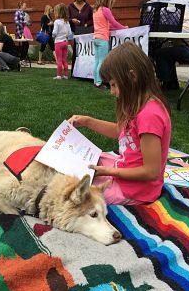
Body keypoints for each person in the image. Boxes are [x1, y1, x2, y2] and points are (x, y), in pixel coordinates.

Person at [69, 42, 171, 206]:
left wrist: (110, 172)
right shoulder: (139, 104)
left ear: (132, 76)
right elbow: (121, 131)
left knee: (78, 194)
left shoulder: (150, 115)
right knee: (85, 162)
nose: (112, 92)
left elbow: (152, 171)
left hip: (137, 189)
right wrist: (87, 121)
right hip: (124, 167)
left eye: (114, 85)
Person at [153, 8, 189, 90]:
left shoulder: (184, 13)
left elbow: (186, 29)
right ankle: (171, 83)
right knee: (165, 52)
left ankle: (166, 83)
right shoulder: (180, 13)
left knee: (160, 53)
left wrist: (169, 28)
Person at [93, 0, 127, 89]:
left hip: (96, 38)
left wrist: (118, 27)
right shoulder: (105, 10)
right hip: (103, 38)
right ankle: (99, 82)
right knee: (102, 61)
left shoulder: (96, 10)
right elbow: (114, 22)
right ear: (108, 0)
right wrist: (123, 28)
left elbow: (108, 25)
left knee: (97, 61)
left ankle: (96, 81)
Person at [68, 0, 93, 73]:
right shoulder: (70, 6)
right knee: (76, 52)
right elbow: (66, 19)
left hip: (85, 33)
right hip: (74, 33)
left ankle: (86, 72)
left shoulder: (88, 7)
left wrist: (87, 23)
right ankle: (75, 72)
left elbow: (92, 19)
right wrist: (72, 20)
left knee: (85, 53)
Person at [52, 3, 72, 80]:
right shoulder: (67, 22)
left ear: (58, 13)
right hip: (65, 42)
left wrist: (53, 36)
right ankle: (66, 75)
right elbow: (70, 33)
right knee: (64, 60)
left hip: (58, 42)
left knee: (59, 59)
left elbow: (54, 32)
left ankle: (59, 75)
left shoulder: (56, 22)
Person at [14, 1, 30, 66]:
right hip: (20, 31)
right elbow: (16, 22)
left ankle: (22, 59)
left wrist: (28, 22)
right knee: (24, 44)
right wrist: (24, 23)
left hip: (26, 31)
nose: (26, 6)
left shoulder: (25, 14)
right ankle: (21, 59)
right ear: (21, 6)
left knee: (26, 45)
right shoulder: (17, 12)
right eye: (24, 5)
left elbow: (29, 23)